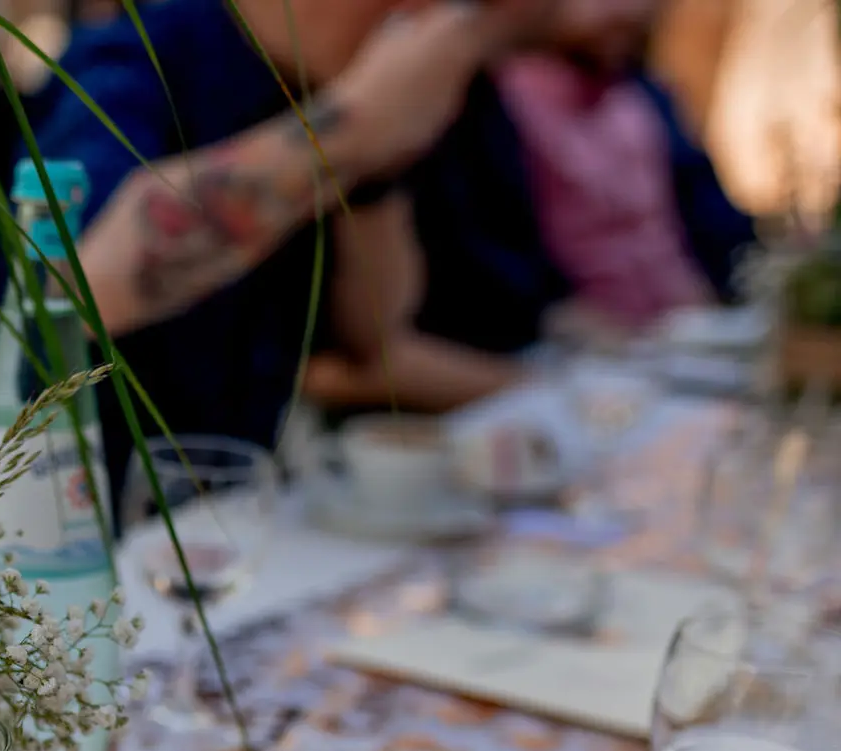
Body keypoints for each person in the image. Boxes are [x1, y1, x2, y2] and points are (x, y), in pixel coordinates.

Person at [32, 0, 544, 481]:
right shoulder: (132, 60)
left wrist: (379, 158)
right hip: (73, 510)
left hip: (234, 497)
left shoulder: (320, 85)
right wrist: (350, 127)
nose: (426, 16)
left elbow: (371, 338)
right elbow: (80, 284)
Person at [310, 0, 756, 413]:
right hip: (498, 389)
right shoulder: (497, 101)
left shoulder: (640, 94)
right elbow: (353, 359)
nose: (632, 10)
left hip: (634, 357)